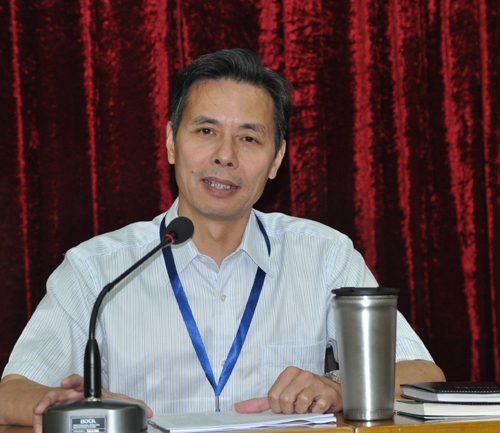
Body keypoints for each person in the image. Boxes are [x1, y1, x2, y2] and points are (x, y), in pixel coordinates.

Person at [0, 48, 445, 431]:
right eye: (206, 131)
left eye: (249, 138)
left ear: (277, 159)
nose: (225, 156)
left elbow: (423, 373)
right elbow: (11, 391)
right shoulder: (97, 268)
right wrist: (74, 406)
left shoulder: (324, 256)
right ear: (171, 142)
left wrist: (338, 385)